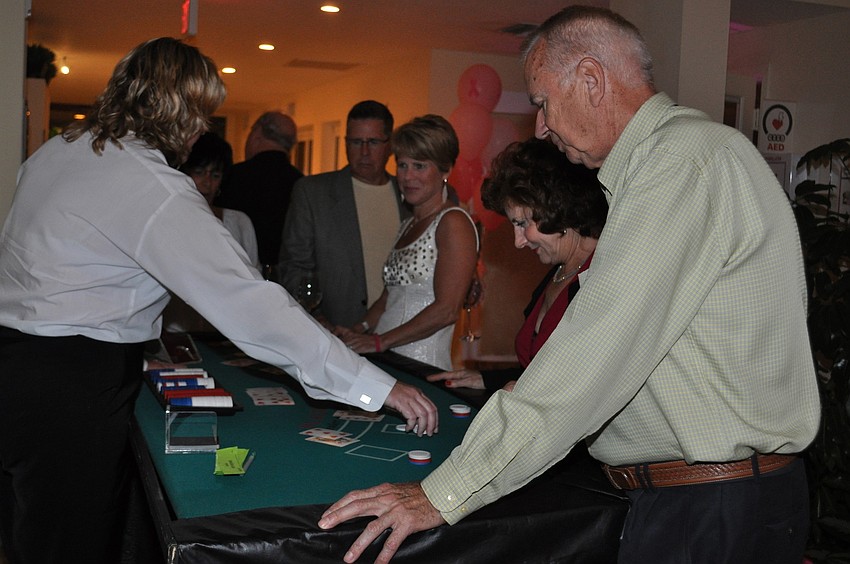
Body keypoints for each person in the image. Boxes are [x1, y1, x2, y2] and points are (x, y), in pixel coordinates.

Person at [318, 6, 821, 564]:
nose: (540, 125)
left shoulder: (680, 162)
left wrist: (443, 492)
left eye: (541, 102)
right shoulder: (674, 161)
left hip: (712, 506)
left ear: (590, 79)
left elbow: (593, 351)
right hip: (705, 499)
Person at [0, 37, 436, 564]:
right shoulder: (154, 186)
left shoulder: (59, 149)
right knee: (69, 545)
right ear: (177, 110)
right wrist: (376, 385)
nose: (202, 128)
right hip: (72, 383)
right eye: (201, 113)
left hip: (16, 364)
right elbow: (251, 305)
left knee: (28, 531)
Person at [427, 137, 607, 393]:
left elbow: (591, 384)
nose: (518, 242)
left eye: (522, 224)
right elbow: (535, 371)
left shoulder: (604, 276)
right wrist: (488, 379)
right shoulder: (557, 273)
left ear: (557, 207)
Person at [338, 114, 479, 371]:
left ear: (445, 170)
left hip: (421, 365)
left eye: (419, 166)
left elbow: (447, 310)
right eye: (402, 165)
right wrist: (356, 330)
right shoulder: (407, 224)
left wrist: (380, 341)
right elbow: (388, 299)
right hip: (386, 360)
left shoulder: (453, 222)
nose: (407, 176)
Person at [279, 100, 407, 328]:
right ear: (346, 143)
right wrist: (317, 318)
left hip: (402, 330)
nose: (364, 152)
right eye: (356, 142)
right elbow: (294, 267)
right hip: (338, 332)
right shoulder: (313, 193)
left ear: (390, 146)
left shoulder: (409, 195)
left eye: (373, 142)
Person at [163, 132, 260, 332]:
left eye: (215, 175)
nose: (207, 183)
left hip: (228, 334)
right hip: (177, 333)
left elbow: (254, 284)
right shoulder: (166, 221)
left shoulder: (239, 222)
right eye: (199, 172)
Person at [215, 110, 303, 276]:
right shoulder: (301, 184)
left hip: (237, 274)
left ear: (256, 135)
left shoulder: (232, 177)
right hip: (286, 277)